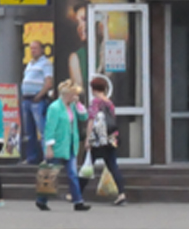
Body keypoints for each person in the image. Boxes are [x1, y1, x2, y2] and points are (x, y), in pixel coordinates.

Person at [41, 79, 90, 212]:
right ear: (67, 94)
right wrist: (49, 147)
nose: (75, 96)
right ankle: (42, 199)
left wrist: (79, 103)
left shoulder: (73, 106)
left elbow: (84, 117)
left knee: (72, 174)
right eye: (74, 94)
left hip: (70, 145)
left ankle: (78, 201)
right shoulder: (55, 108)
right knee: (51, 174)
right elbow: (49, 128)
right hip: (57, 146)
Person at [86, 75, 126, 206]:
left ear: (93, 89)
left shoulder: (95, 102)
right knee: (113, 166)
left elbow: (92, 121)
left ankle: (75, 193)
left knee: (87, 165)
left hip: (99, 139)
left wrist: (88, 139)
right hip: (111, 138)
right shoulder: (109, 102)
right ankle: (121, 194)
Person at [19, 40, 53, 165]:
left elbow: (48, 82)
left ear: (42, 49)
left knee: (42, 129)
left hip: (36, 100)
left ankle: (47, 157)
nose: (33, 51)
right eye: (31, 48)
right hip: (26, 99)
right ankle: (31, 157)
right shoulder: (30, 64)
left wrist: (39, 95)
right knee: (29, 131)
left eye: (35, 48)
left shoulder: (45, 63)